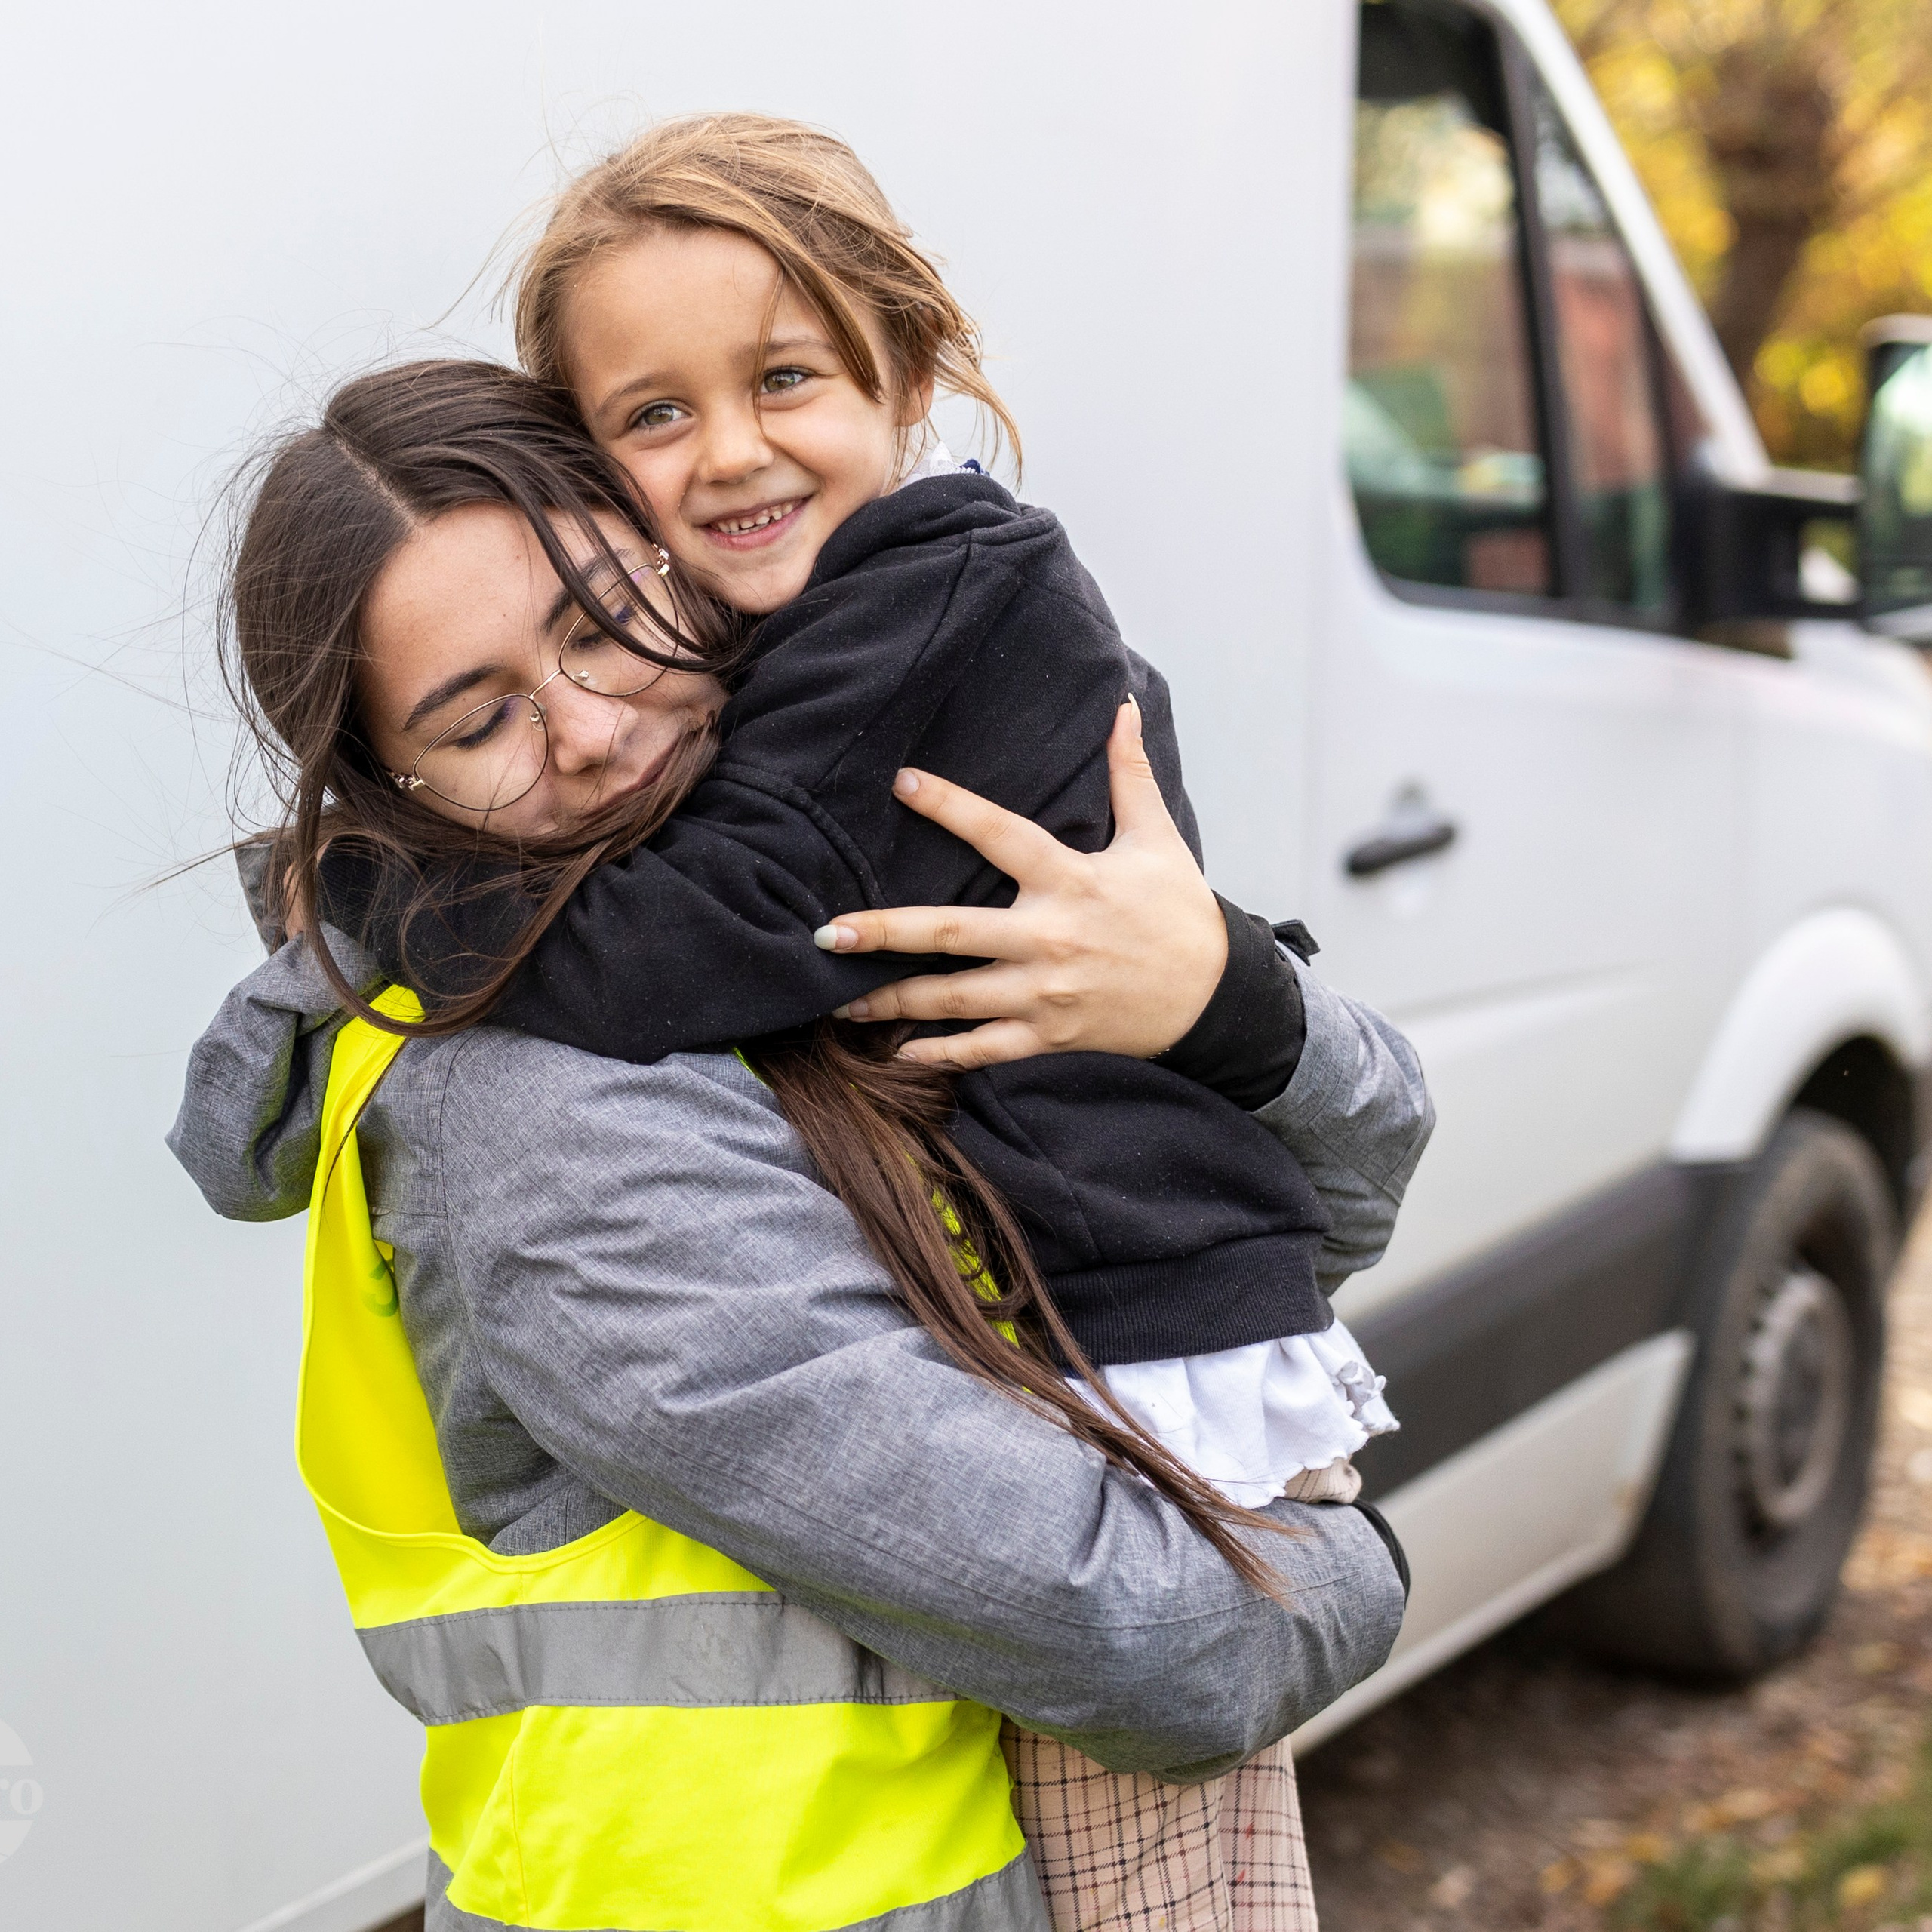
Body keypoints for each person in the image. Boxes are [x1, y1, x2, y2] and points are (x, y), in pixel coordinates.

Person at [172, 362, 1431, 1930]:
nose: (586, 730)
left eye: (598, 621)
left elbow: (1282, 1218)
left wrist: (1220, 995)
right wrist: (1346, 1558)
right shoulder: (535, 1105)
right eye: (477, 718)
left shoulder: (764, 906)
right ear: (384, 784)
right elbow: (1133, 1633)